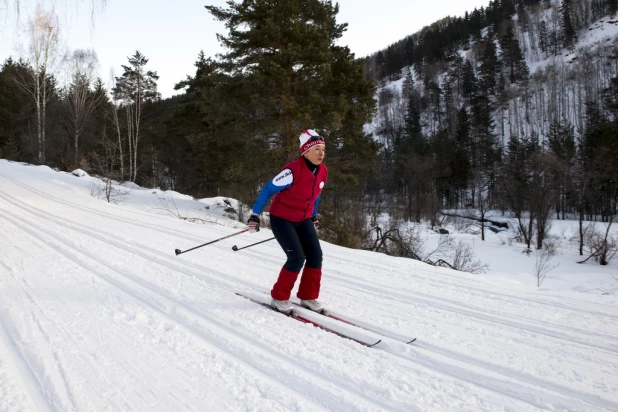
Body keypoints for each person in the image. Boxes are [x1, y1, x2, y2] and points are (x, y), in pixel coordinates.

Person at [247, 129, 328, 314]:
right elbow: (267, 190)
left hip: (304, 218)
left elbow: (316, 195)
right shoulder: (292, 171)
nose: (321, 153)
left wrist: (313, 215)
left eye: (323, 149)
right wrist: (255, 215)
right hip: (282, 218)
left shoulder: (322, 171)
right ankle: (279, 297)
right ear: (305, 151)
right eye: (316, 149)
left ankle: (308, 296)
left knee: (315, 256)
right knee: (296, 258)